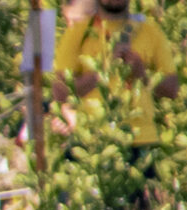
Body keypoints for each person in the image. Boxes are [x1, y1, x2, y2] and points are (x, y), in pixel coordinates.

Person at [53, 0, 176, 153]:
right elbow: (60, 91)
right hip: (92, 139)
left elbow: (172, 90)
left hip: (139, 139)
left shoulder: (150, 32)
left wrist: (141, 74)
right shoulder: (76, 35)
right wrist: (104, 71)